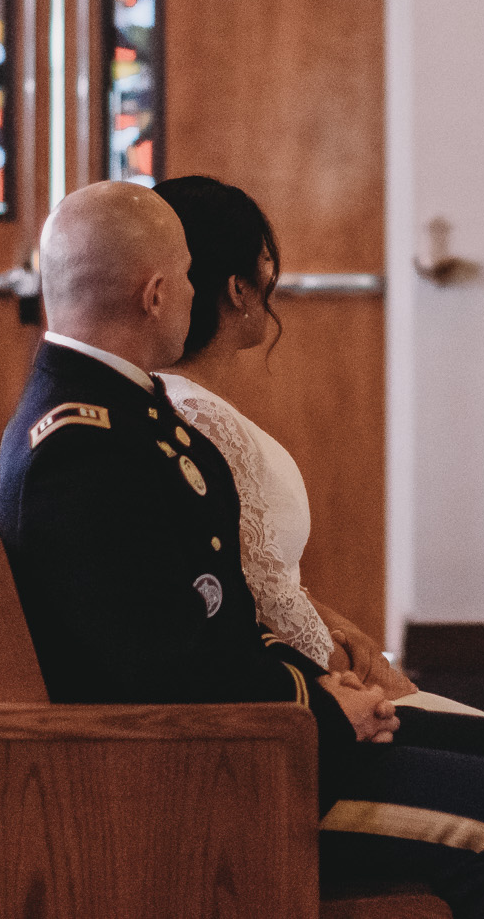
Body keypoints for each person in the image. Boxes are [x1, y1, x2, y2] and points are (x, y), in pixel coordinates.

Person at [0, 181, 484, 919]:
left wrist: (325, 690)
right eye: (191, 276)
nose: (199, 292)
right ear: (158, 293)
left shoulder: (118, 418)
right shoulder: (83, 451)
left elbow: (208, 620)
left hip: (233, 740)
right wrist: (324, 713)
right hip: (196, 783)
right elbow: (167, 679)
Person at [152, 174, 415, 698]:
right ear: (238, 287)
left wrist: (354, 641)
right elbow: (261, 603)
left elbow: (276, 584)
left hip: (297, 671)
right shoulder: (201, 422)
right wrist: (375, 683)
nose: (273, 278)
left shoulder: (168, 400)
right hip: (285, 699)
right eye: (266, 262)